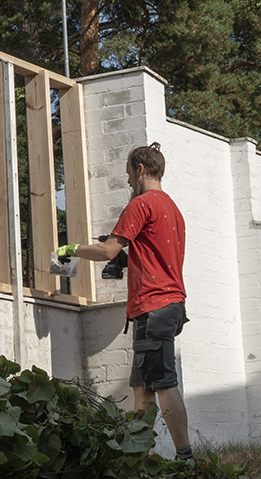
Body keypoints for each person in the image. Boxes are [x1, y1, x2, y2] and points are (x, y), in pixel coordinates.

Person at [56, 143, 191, 461]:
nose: (128, 180)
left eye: (129, 173)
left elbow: (106, 251)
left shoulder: (141, 204)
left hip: (154, 305)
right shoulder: (172, 209)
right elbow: (157, 257)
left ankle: (186, 460)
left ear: (140, 170)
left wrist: (69, 249)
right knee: (142, 388)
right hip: (166, 304)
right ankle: (139, 459)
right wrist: (129, 260)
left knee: (163, 381)